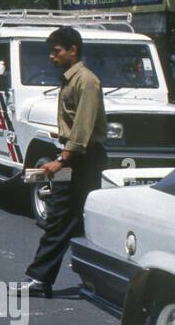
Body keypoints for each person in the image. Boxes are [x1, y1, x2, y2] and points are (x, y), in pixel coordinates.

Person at [17, 26, 108, 297]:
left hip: (82, 159)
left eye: (56, 51)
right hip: (74, 156)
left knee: (67, 216)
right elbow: (75, 125)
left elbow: (83, 129)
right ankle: (44, 278)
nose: (51, 57)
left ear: (73, 50)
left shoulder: (86, 81)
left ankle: (43, 279)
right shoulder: (70, 79)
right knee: (66, 217)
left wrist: (61, 159)